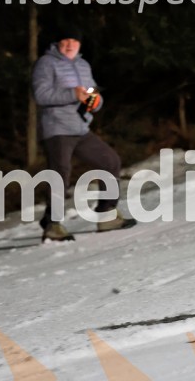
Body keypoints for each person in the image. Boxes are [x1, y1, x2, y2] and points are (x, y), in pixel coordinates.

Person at [31, 27, 136, 242]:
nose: (69, 45)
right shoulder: (46, 63)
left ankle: (107, 216)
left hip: (80, 128)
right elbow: (41, 95)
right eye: (65, 41)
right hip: (57, 128)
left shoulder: (83, 64)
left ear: (80, 44)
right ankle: (52, 225)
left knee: (110, 161)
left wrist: (95, 102)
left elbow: (92, 93)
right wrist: (73, 93)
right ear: (57, 44)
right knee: (60, 173)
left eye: (74, 41)